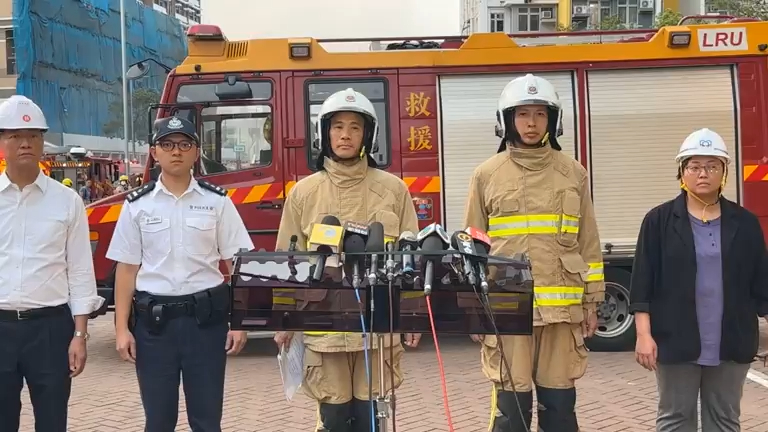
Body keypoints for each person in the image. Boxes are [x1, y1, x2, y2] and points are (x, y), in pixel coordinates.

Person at [272, 88, 422, 432]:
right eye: (337, 126)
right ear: (323, 133)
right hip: (325, 329)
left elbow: (409, 259)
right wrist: (285, 319)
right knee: (336, 419)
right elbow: (287, 262)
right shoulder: (304, 193)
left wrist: (411, 316)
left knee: (373, 418)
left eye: (355, 127)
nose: (345, 135)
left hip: (377, 328)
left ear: (368, 135)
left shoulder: (393, 190)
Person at [462, 74, 605, 432]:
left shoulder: (573, 173)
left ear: (552, 121)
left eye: (540, 114)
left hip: (561, 316)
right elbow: (473, 249)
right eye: (522, 114)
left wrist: (591, 304)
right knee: (512, 412)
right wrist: (474, 309)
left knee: (559, 410)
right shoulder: (486, 175)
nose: (530, 123)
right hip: (508, 313)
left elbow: (588, 241)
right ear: (507, 119)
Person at [106, 116, 253, 432]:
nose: (176, 152)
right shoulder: (137, 205)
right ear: (154, 152)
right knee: (158, 421)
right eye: (168, 144)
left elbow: (237, 265)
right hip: (154, 328)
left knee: (207, 420)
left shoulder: (217, 202)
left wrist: (241, 322)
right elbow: (127, 270)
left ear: (196, 152)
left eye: (185, 144)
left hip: (206, 325)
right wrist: (121, 329)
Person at [630, 128, 768, 432]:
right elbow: (643, 282)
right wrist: (643, 334)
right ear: (682, 172)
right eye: (694, 166)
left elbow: (762, 284)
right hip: (674, 338)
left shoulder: (744, 223)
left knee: (725, 419)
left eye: (712, 166)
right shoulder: (658, 221)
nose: (703, 173)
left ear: (724, 172)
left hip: (731, 340)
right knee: (675, 418)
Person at [0, 95, 104, 432]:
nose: (25, 143)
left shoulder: (67, 201)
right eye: (14, 135)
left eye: (33, 136)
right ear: (2, 142)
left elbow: (79, 271)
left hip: (50, 330)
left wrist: (80, 334)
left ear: (43, 142)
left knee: (52, 420)